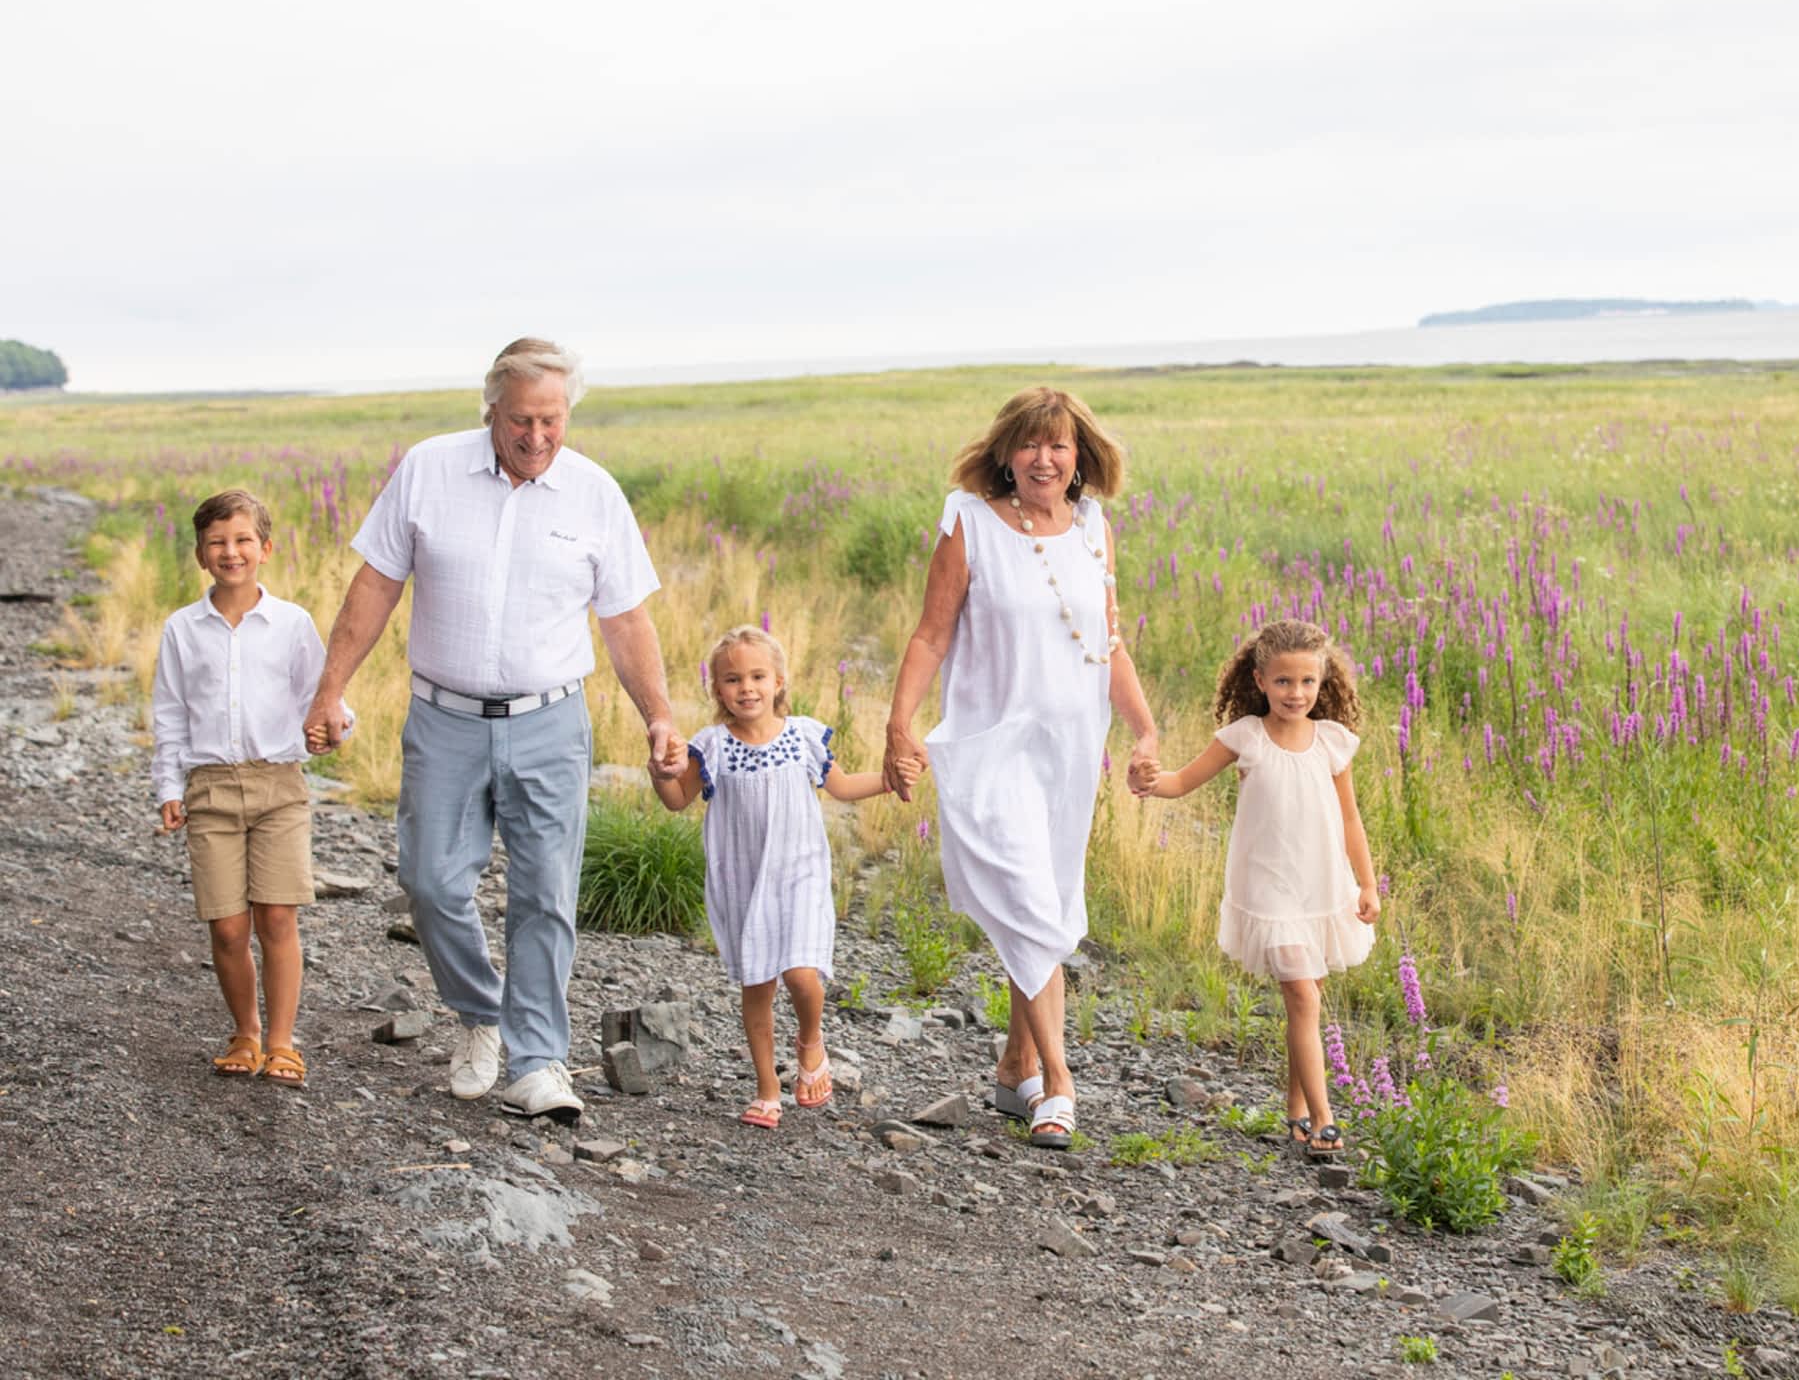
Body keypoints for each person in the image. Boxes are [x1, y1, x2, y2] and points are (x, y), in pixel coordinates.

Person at [302, 338, 682, 1124]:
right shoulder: (429, 470)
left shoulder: (594, 493)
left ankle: (538, 1062)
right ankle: (481, 1015)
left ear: (568, 413)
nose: (537, 437)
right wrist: (329, 688)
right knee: (431, 882)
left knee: (546, 895)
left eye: (551, 421)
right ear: (491, 411)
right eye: (520, 421)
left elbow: (625, 619)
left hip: (551, 721)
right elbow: (375, 583)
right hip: (444, 718)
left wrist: (659, 716)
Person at [882, 386, 1159, 1150]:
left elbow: (1110, 643)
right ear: (1005, 454)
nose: (1044, 458)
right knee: (1032, 901)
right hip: (991, 742)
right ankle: (1060, 1085)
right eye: (1030, 444)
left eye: (1059, 445)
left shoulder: (1094, 529)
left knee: (1044, 898)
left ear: (1079, 459)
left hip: (1069, 751)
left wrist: (1144, 730)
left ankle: (1014, 1068)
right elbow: (931, 636)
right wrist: (898, 722)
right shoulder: (968, 523)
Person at [1133, 618, 1380, 1156]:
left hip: (1321, 886)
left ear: (1323, 682)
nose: (1297, 693)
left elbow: (1351, 821)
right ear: (1260, 679)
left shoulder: (1332, 743)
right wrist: (1150, 780)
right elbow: (1180, 782)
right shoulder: (1243, 737)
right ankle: (1324, 1118)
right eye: (1285, 682)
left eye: (1308, 682)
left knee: (1307, 1000)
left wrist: (1367, 883)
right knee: (1301, 996)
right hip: (1269, 889)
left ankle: (1294, 1110)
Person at [649, 625, 889, 1128]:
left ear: (779, 681)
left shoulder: (801, 736)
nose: (747, 688)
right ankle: (766, 1088)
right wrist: (661, 771)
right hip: (742, 880)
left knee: (802, 973)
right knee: (756, 986)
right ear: (717, 689)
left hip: (798, 871)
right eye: (733, 679)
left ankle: (810, 1040)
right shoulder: (710, 746)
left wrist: (889, 779)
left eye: (758, 676)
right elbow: (676, 801)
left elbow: (841, 787)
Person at [153, 489, 343, 1089]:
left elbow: (323, 696)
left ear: (265, 548)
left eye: (241, 541)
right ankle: (246, 1030)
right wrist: (167, 785)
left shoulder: (291, 624)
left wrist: (333, 728)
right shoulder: (182, 630)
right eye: (217, 543)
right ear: (200, 555)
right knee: (228, 926)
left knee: (277, 917)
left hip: (278, 786)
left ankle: (283, 1043)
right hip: (209, 788)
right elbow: (169, 713)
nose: (230, 552)